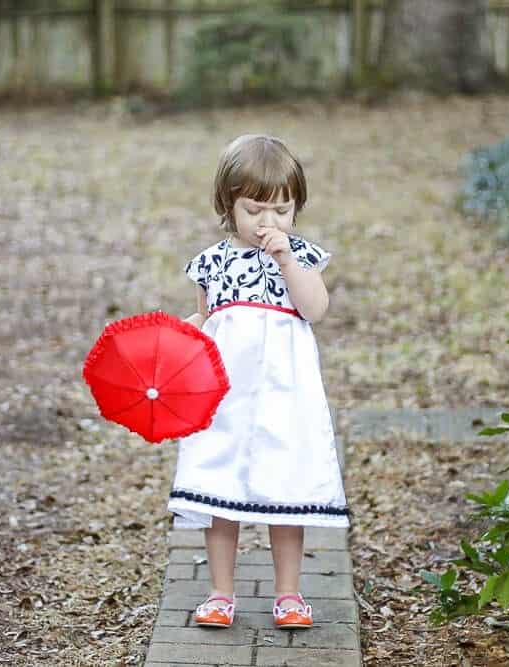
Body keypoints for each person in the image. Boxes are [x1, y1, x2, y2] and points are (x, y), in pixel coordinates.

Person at [172, 134, 350, 629]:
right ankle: (221, 593)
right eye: (255, 210)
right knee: (220, 490)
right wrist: (183, 331)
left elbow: (314, 309)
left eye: (281, 210)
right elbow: (208, 318)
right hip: (227, 396)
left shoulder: (302, 258)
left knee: (283, 489)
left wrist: (288, 260)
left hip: (283, 395)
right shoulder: (212, 261)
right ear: (228, 206)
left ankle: (288, 594)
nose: (269, 223)